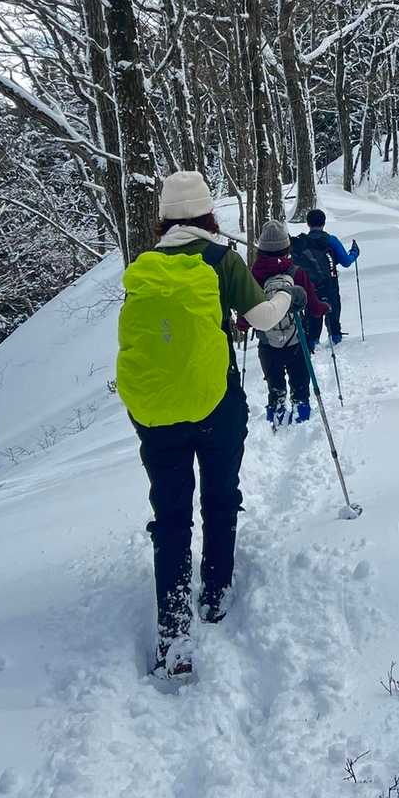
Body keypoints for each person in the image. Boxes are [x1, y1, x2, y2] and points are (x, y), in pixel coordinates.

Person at [115, 171, 305, 679]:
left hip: (158, 414)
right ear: (208, 215)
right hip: (216, 405)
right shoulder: (222, 260)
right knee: (220, 497)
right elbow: (263, 318)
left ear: (163, 220)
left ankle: (173, 632)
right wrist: (287, 295)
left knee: (171, 515)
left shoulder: (145, 269)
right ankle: (215, 594)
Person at [241, 219, 329, 428]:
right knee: (300, 383)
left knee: (275, 385)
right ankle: (302, 417)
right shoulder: (297, 273)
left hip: (268, 343)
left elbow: (244, 319)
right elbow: (314, 308)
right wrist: (324, 307)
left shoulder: (254, 275)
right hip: (297, 340)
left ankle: (277, 415)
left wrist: (244, 325)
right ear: (286, 247)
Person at [292, 208, 359, 348]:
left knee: (312, 322)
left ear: (308, 223)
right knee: (334, 319)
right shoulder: (331, 240)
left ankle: (312, 346)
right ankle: (336, 342)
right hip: (330, 286)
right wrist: (354, 253)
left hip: (309, 288)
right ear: (324, 223)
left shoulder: (302, 243)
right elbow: (346, 262)